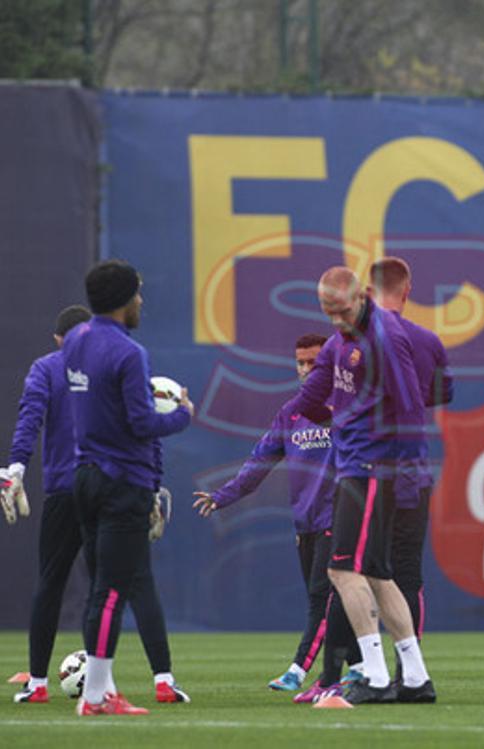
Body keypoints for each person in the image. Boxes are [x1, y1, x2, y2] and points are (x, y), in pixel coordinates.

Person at [3, 305, 188, 706]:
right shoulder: (116, 361)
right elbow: (144, 429)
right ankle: (163, 680)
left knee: (51, 583)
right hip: (115, 487)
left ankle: (37, 684)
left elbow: (30, 418)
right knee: (134, 583)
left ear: (59, 339)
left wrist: (15, 467)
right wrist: (153, 485)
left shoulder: (47, 367)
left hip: (65, 490)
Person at [290, 266, 435, 704]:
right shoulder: (338, 344)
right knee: (375, 573)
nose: (335, 317)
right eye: (327, 310)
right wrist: (340, 420)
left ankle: (373, 676)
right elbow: (307, 400)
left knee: (341, 569)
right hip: (362, 468)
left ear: (361, 297)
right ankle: (415, 678)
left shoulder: (383, 340)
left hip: (370, 469)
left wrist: (400, 468)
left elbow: (411, 407)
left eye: (341, 308)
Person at [192, 333, 363, 693]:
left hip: (339, 517)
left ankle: (298, 670)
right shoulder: (291, 413)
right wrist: (222, 496)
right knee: (331, 601)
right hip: (305, 521)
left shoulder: (348, 409)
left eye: (313, 362)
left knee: (322, 598)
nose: (306, 369)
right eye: (300, 362)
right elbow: (259, 463)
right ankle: (361, 666)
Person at [63, 260, 193, 715]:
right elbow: (142, 423)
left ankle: (103, 689)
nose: (140, 300)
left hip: (85, 476)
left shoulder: (75, 341)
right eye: (136, 292)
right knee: (113, 592)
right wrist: (182, 414)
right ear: (122, 299)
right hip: (123, 481)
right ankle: (95, 697)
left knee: (100, 590)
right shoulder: (128, 353)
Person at [367, 257, 454, 639]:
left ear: (367, 292)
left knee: (357, 572)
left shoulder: (358, 340)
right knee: (407, 571)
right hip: (412, 471)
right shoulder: (428, 341)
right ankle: (410, 662)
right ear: (408, 290)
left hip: (365, 471)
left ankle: (362, 661)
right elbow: (444, 392)